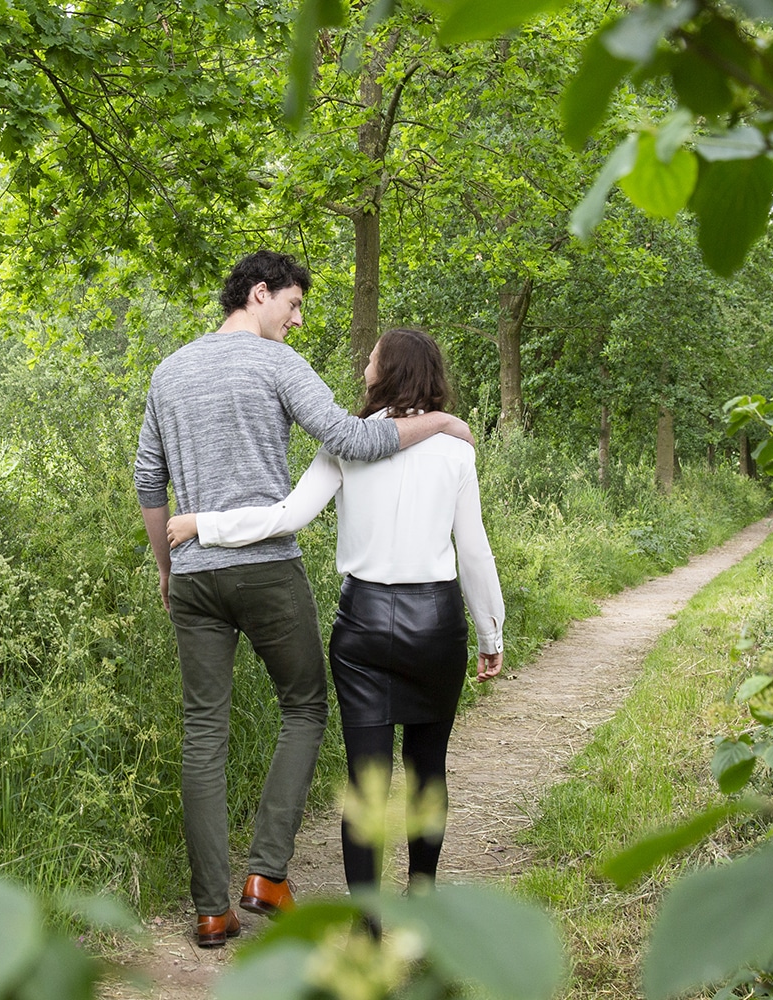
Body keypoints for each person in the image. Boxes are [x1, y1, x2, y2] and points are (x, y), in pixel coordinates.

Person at [134, 252, 473, 948]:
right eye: (291, 305)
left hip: (195, 571)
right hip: (264, 569)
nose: (296, 320)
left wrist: (168, 565)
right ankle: (267, 874)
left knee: (204, 729)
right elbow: (352, 437)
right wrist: (436, 423)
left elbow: (149, 480)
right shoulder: (276, 364)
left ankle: (211, 910)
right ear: (258, 293)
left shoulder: (168, 372)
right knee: (306, 705)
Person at [167, 327, 504, 901]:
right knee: (428, 773)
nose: (364, 364)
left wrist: (206, 525)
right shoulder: (455, 450)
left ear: (389, 371)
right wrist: (489, 631)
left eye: (372, 357)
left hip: (364, 626)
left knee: (365, 784)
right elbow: (473, 550)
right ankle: (423, 909)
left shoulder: (347, 444)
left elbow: (286, 515)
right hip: (436, 624)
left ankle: (367, 929)